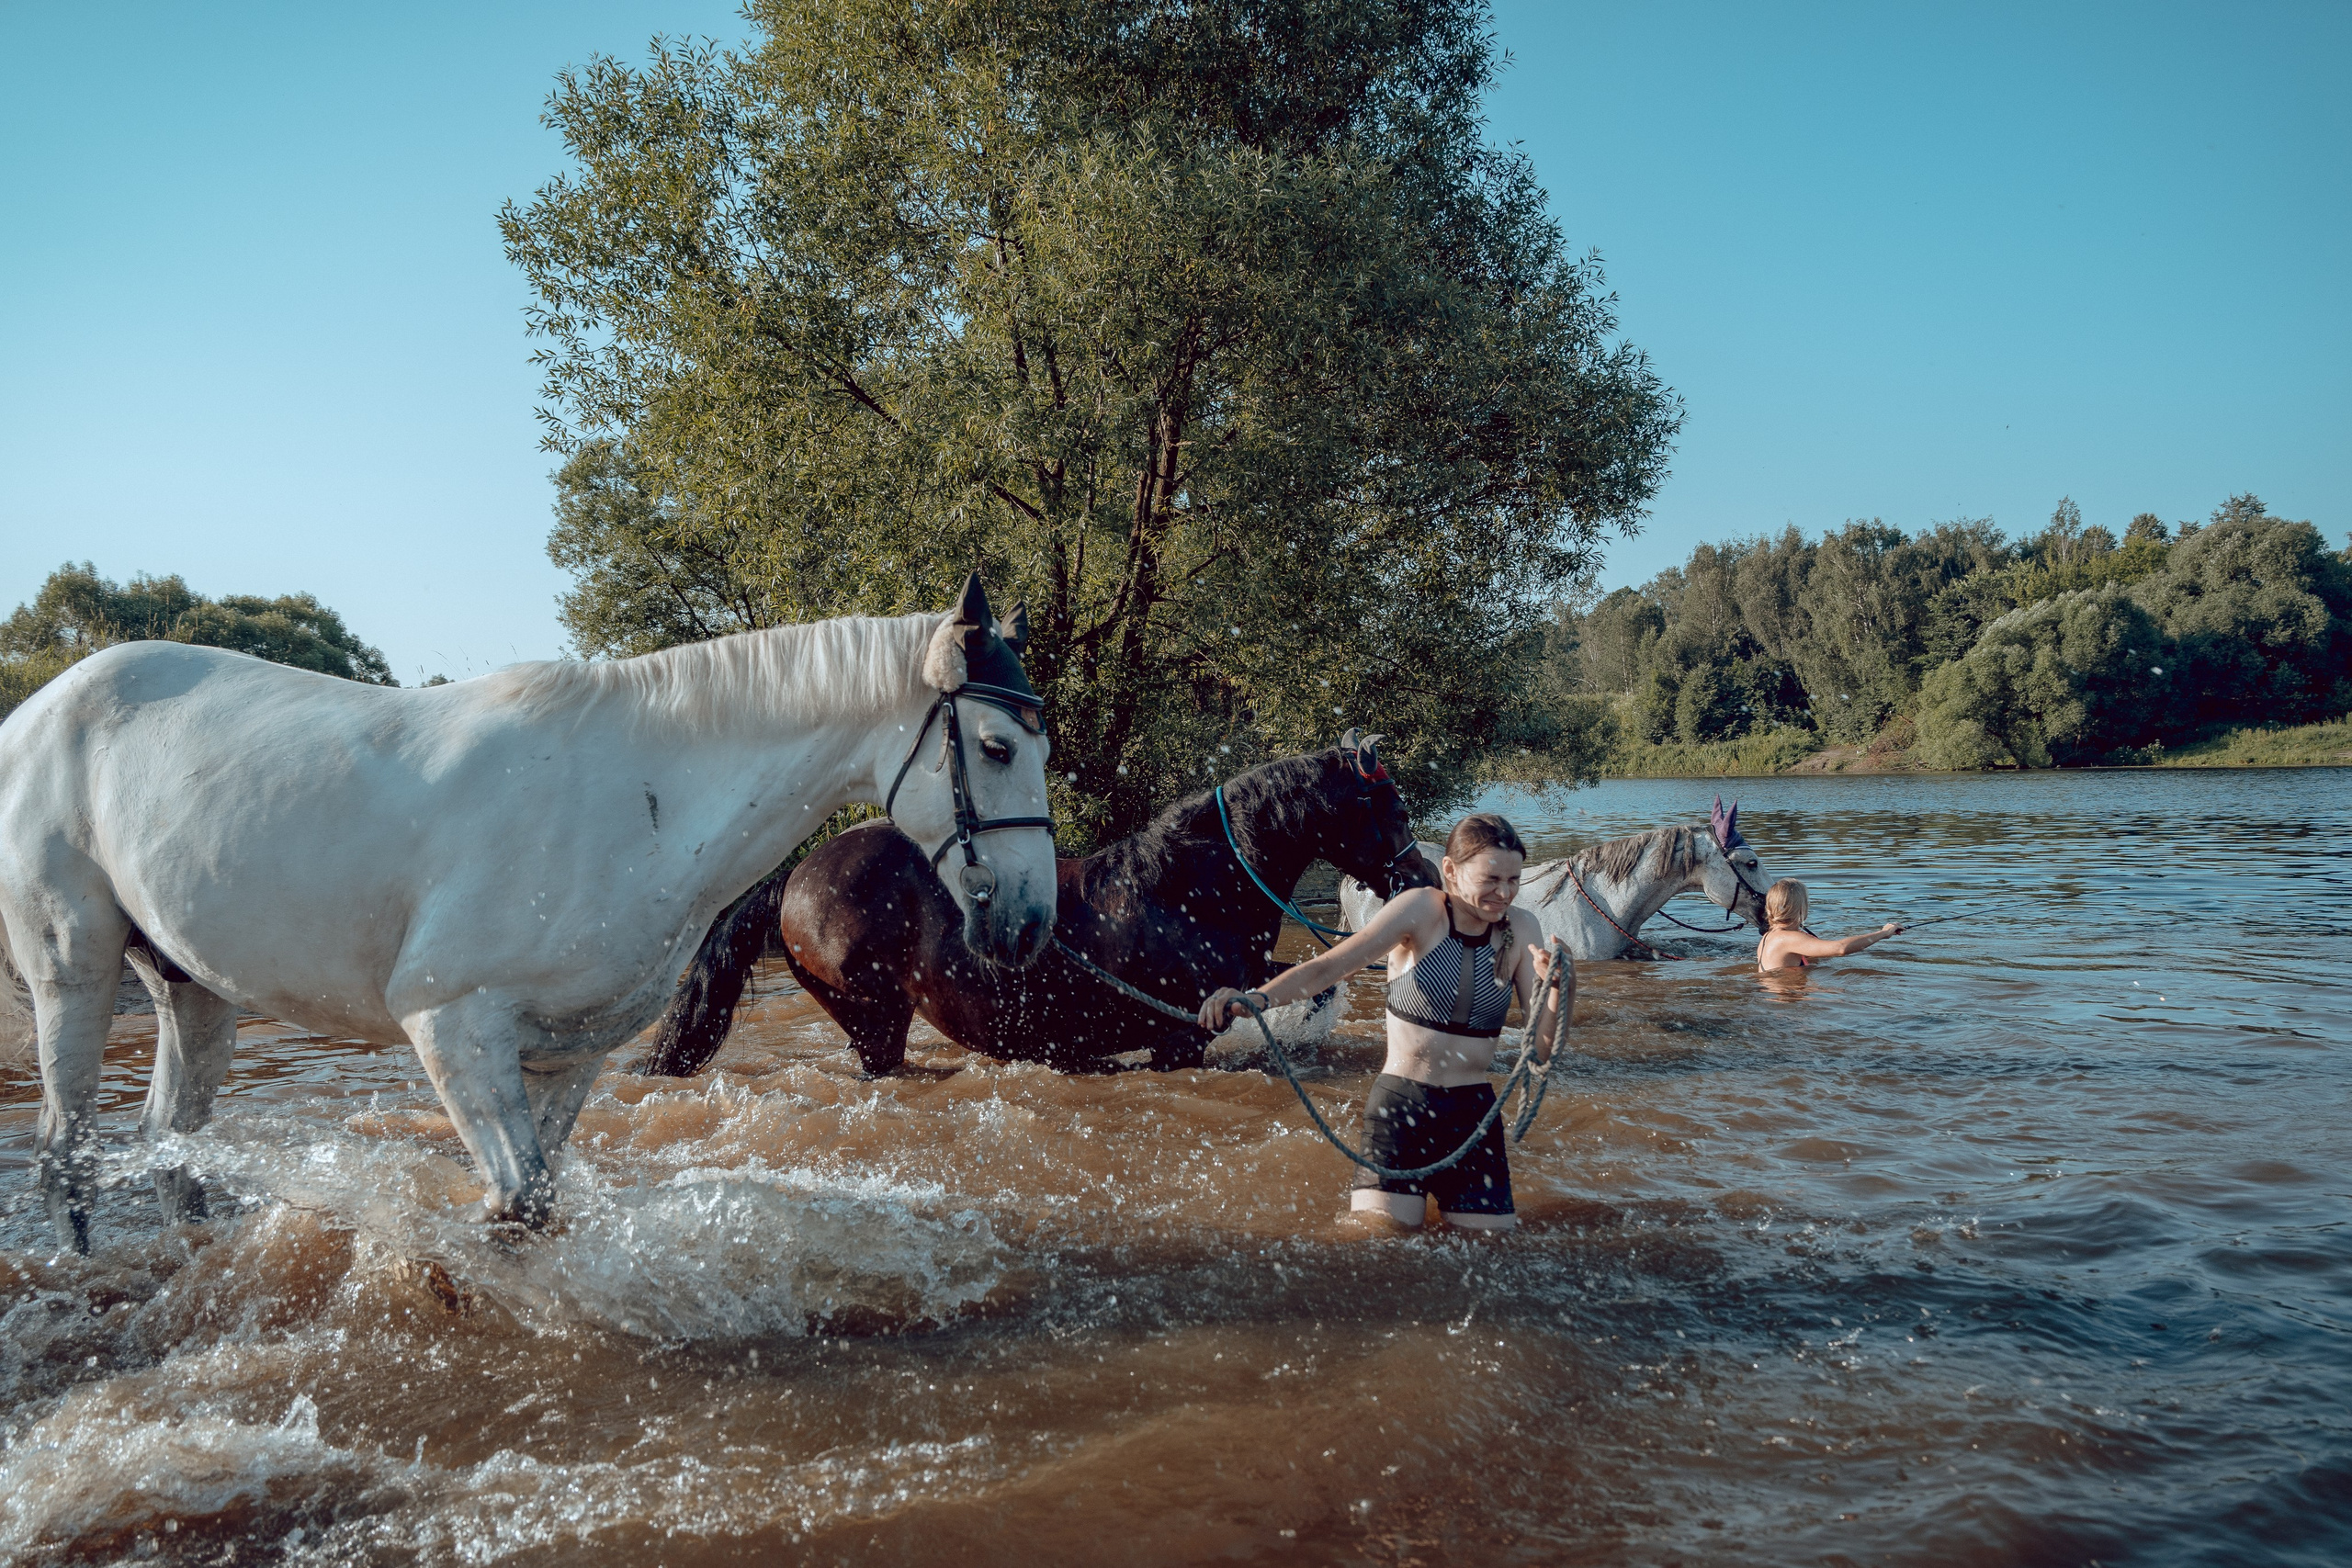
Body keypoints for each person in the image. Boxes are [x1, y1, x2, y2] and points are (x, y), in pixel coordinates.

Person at [1198, 813, 1566, 1232]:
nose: (1504, 893)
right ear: (1450, 870)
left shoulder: (1523, 928)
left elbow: (1540, 1051)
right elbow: (1330, 967)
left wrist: (1555, 988)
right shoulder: (1420, 910)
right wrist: (1259, 998)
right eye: (1491, 879)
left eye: (1514, 881)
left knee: (1487, 1255)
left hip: (1474, 1119)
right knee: (1379, 1248)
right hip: (1402, 1108)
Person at [1753, 878, 1902, 971]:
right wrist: (1884, 933)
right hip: (1786, 1007)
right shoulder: (1788, 938)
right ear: (1800, 907)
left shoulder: (1769, 936)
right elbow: (1840, 948)